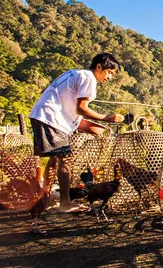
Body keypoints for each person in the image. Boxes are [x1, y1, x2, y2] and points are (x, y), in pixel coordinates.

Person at [29, 53, 125, 212]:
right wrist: (107, 118)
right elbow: (81, 108)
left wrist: (93, 126)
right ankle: (65, 203)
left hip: (42, 115)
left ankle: (45, 196)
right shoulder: (89, 78)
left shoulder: (74, 73)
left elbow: (73, 111)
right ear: (99, 67)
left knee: (54, 158)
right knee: (65, 160)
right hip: (51, 118)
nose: (109, 77)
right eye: (109, 72)